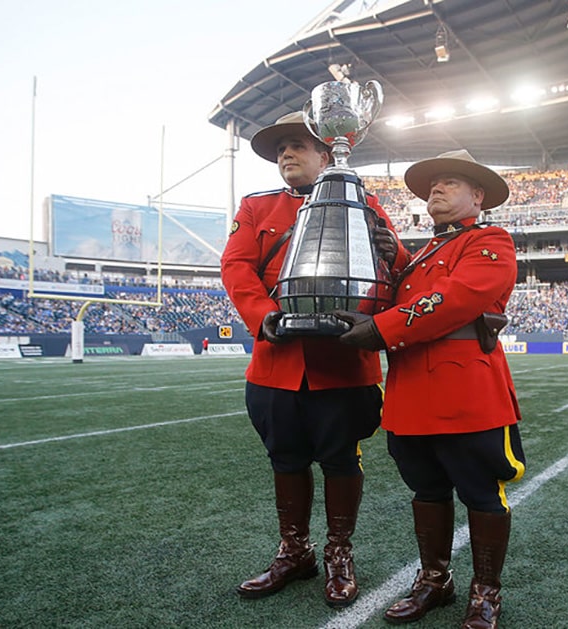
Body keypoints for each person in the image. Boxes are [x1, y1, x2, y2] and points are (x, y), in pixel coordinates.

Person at [219, 111, 409, 608]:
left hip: (342, 366)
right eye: (281, 148)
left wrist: (395, 253)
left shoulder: (365, 203)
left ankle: (339, 553)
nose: (286, 153)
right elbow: (236, 267)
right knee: (285, 459)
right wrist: (263, 316)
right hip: (276, 364)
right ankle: (295, 551)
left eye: (297, 145)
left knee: (341, 460)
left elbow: (396, 273)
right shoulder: (257, 207)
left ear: (327, 154)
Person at [334, 149, 525, 628]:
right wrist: (396, 256)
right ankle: (435, 580)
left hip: (466, 394)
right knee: (426, 489)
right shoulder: (421, 255)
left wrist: (379, 330)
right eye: (433, 184)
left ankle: (486, 592)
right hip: (411, 394)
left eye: (450, 182)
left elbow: (453, 298)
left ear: (478, 196)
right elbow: (419, 289)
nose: (436, 188)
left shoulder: (490, 240)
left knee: (481, 492)